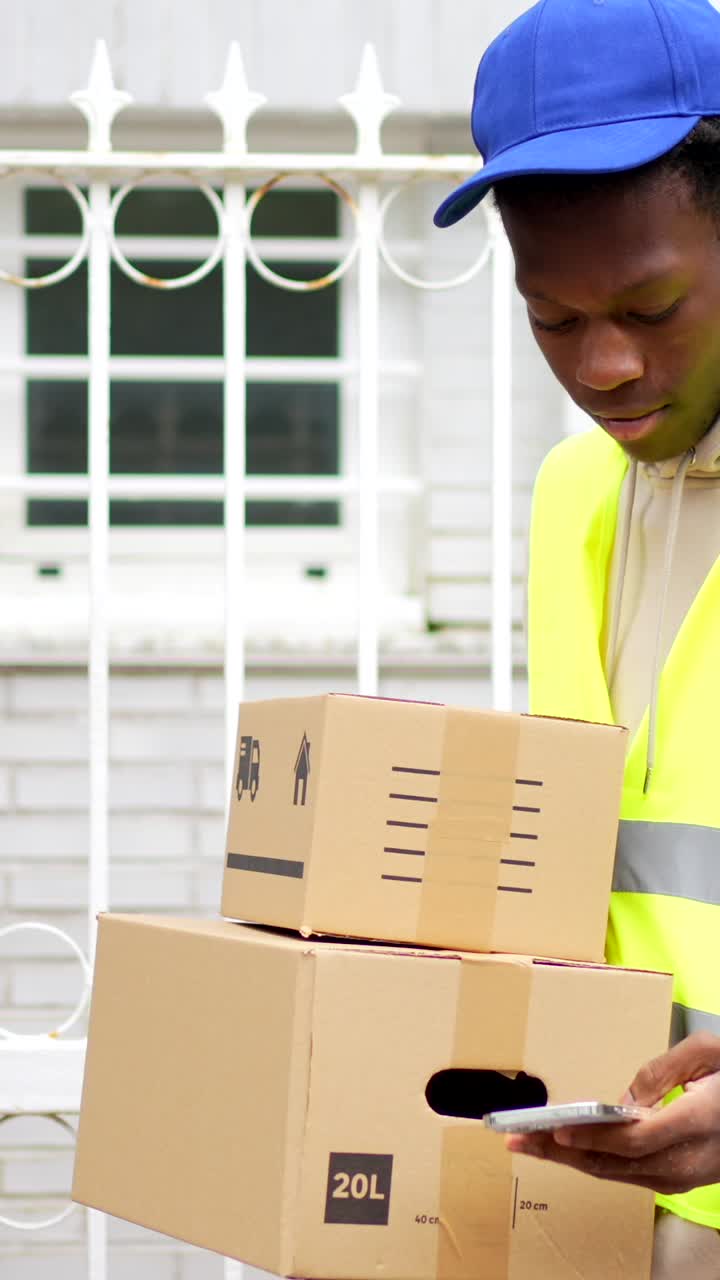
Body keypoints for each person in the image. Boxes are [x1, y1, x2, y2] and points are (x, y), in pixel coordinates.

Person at [434, 1, 720, 1276]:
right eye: (553, 318)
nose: (604, 365)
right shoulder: (574, 498)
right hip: (616, 1212)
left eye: (654, 307)